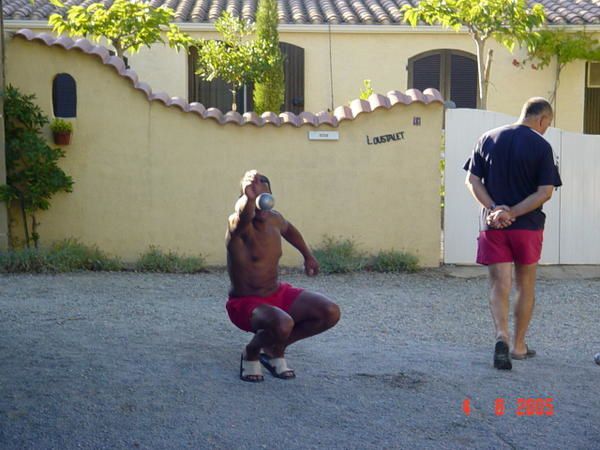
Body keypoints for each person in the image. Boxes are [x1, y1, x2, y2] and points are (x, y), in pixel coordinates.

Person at [464, 97, 562, 370]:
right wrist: (514, 213)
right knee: (525, 284)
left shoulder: (487, 138)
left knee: (499, 283)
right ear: (542, 120)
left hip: (493, 226)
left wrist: (496, 209)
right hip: (527, 227)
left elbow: (471, 180)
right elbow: (545, 192)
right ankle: (519, 346)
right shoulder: (542, 146)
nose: (546, 129)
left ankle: (501, 336)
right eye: (548, 124)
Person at [226, 170, 341, 382]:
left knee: (330, 312)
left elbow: (289, 230)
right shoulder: (238, 225)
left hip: (277, 293)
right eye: (254, 197)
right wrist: (248, 199)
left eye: (264, 197)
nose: (261, 204)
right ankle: (251, 351)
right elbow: (243, 215)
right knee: (283, 323)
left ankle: (273, 348)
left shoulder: (274, 219)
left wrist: (308, 255)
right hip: (246, 304)